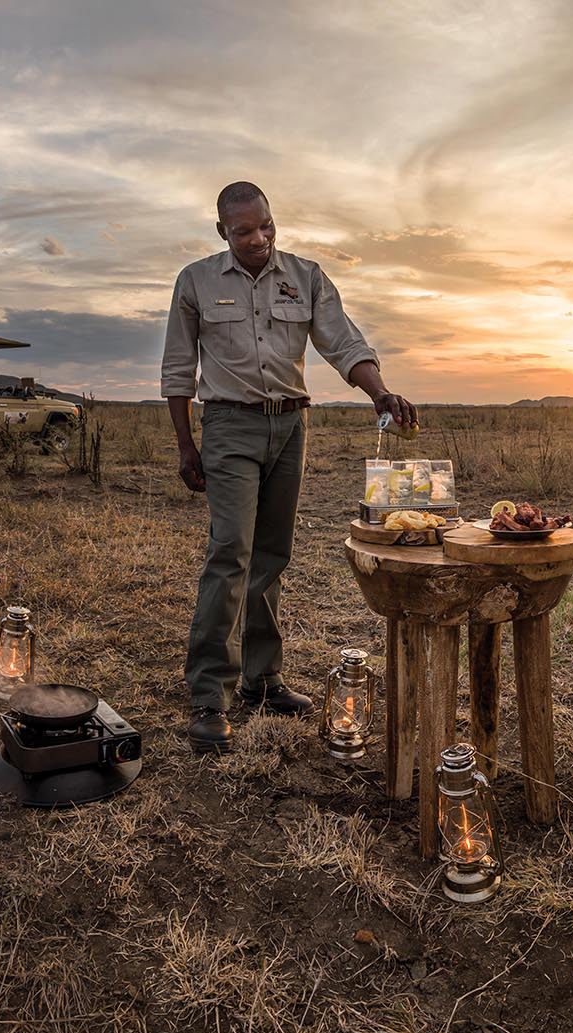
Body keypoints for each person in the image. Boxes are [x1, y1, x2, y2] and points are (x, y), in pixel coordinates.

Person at [161, 181, 418, 753]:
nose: (260, 239)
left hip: (290, 427)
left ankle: (262, 677)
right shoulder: (197, 282)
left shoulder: (305, 276)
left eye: (267, 226)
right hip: (228, 425)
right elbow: (179, 369)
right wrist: (186, 446)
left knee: (273, 554)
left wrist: (379, 393)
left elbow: (342, 342)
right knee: (231, 551)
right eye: (245, 230)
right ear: (222, 230)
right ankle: (209, 694)